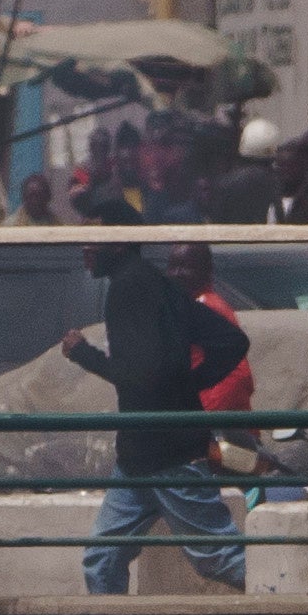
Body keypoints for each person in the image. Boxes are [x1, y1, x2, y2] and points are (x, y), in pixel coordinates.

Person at [70, 232, 254, 592]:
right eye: (174, 265)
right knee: (102, 559)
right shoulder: (159, 289)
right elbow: (230, 343)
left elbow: (139, 375)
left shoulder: (132, 290)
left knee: (219, 557)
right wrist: (189, 385)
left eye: (94, 237)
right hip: (141, 456)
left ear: (118, 240)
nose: (85, 247)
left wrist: (82, 353)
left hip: (170, 453)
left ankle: (293, 609)